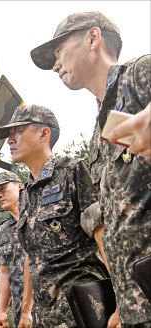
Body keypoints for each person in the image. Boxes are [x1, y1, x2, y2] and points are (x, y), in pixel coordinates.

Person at [30, 11, 151, 326]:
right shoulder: (101, 131)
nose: (56, 64)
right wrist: (123, 304)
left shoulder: (139, 75)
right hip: (138, 302)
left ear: (93, 38)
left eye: (59, 52)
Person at [0, 104, 108, 328]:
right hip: (45, 314)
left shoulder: (72, 172)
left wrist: (121, 297)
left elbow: (103, 234)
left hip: (82, 305)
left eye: (17, 132)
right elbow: (31, 255)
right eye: (9, 135)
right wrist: (26, 309)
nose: (9, 140)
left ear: (44, 133)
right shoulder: (26, 194)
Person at [0, 172, 33, 328]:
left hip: (49, 301)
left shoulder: (37, 214)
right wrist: (2, 311)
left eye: (3, 189)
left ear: (20, 186)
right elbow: (4, 271)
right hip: (21, 311)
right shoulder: (3, 230)